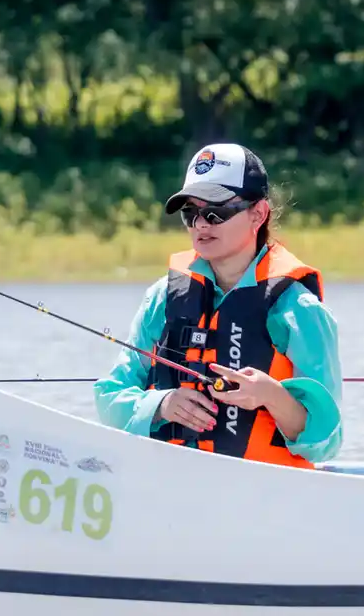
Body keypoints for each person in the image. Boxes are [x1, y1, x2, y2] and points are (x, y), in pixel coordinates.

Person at [93, 143, 343, 468]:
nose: (201, 224)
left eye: (216, 212)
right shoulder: (161, 297)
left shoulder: (299, 310)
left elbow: (327, 443)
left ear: (258, 213)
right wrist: (162, 404)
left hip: (264, 489)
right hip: (168, 480)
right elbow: (109, 396)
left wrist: (270, 395)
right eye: (190, 213)